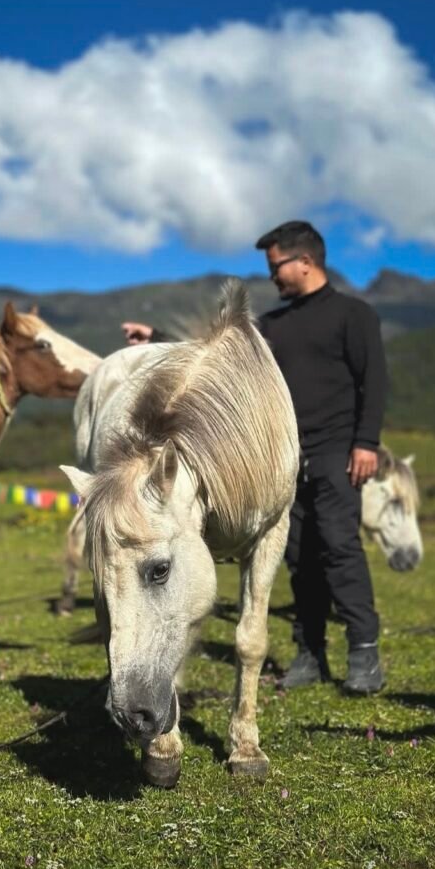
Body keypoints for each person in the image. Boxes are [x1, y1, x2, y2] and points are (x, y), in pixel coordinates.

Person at [121, 220, 388, 694]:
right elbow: (219, 358)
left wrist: (365, 442)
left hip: (336, 453)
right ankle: (311, 653)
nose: (272, 277)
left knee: (340, 549)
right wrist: (157, 336)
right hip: (283, 463)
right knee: (299, 559)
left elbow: (375, 383)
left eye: (276, 266)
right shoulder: (274, 327)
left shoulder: (354, 315)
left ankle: (363, 653)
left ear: (305, 262)